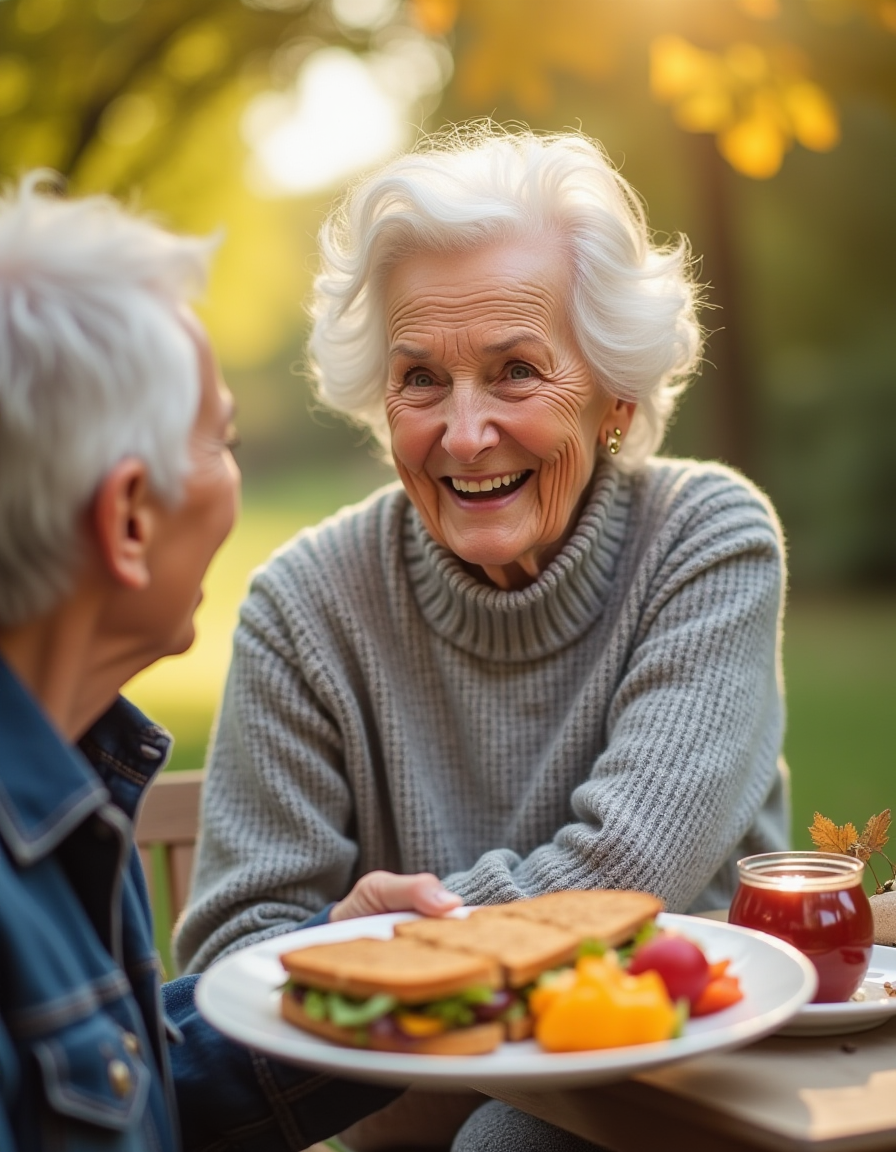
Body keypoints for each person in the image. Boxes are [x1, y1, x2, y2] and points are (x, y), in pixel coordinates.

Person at [176, 126, 789, 1151]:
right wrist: (332, 947)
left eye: (514, 372)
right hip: (405, 1126)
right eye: (421, 378)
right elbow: (234, 970)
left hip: (671, 1102)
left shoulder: (705, 542)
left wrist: (378, 959)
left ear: (613, 394)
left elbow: (627, 865)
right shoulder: (301, 605)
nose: (463, 434)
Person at [0, 173, 463, 1152]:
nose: (238, 481)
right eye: (224, 439)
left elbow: (132, 1090)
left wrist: (347, 970)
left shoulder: (72, 788)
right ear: (129, 520)